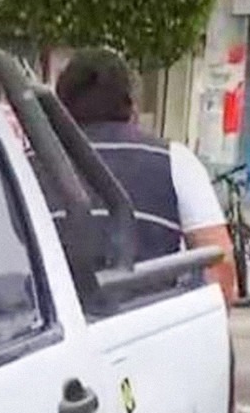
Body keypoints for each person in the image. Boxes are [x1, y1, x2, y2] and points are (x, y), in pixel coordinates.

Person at [54, 48, 236, 303]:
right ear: (132, 104)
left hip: (51, 332)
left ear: (58, 105)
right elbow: (221, 265)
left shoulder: (26, 164)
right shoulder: (175, 160)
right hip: (150, 326)